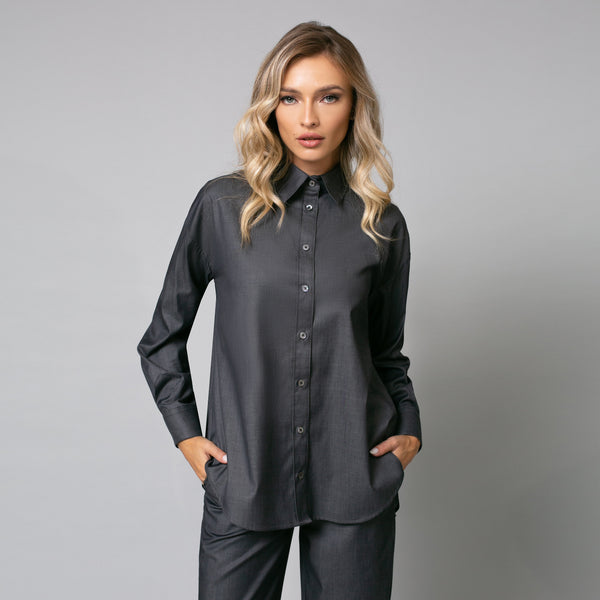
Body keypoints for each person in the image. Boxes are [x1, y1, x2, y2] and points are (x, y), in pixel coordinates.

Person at [137, 20, 422, 600]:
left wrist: (410, 428)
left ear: (354, 107)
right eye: (290, 98)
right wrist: (187, 436)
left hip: (356, 473)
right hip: (245, 476)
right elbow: (161, 339)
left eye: (328, 97)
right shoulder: (222, 207)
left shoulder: (382, 225)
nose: (308, 118)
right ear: (270, 108)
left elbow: (385, 353)